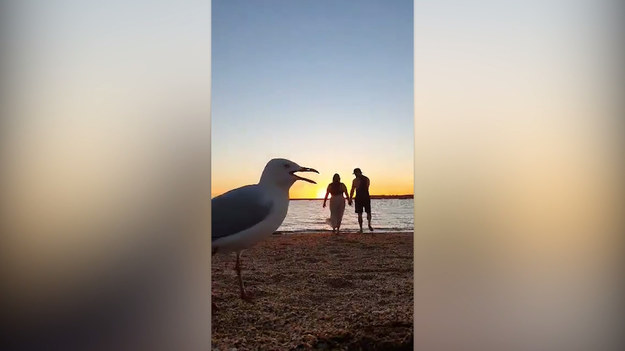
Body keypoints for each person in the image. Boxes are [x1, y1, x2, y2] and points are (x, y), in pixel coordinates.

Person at [349, 168, 373, 233]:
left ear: (358, 173)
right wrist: (350, 198)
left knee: (361, 213)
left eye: (355, 173)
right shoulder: (367, 179)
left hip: (359, 197)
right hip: (365, 196)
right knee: (366, 212)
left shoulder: (355, 180)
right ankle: (367, 225)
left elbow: (353, 189)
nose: (355, 175)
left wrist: (350, 198)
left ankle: (362, 228)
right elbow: (367, 187)